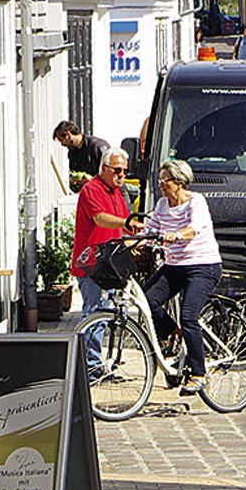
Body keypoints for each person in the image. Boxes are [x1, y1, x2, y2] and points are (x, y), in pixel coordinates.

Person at [139, 159, 222, 396]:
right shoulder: (162, 204)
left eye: (165, 180)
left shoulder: (196, 202)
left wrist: (177, 235)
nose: (161, 184)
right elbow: (150, 230)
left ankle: (198, 373)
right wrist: (136, 241)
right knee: (147, 300)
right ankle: (171, 332)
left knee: (188, 315)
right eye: (160, 180)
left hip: (202, 266)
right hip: (175, 266)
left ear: (179, 182)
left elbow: (195, 228)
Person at [70, 150, 137, 370]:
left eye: (125, 171)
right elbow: (100, 219)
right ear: (104, 168)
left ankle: (97, 363)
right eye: (117, 170)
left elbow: (121, 229)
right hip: (92, 265)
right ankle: (91, 367)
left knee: (106, 314)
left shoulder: (117, 192)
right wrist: (125, 223)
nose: (122, 175)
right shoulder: (92, 189)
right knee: (94, 313)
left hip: (109, 265)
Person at [53, 120, 109, 186]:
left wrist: (92, 181)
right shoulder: (72, 154)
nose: (62, 144)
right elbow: (74, 175)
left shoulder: (97, 147)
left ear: (68, 134)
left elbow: (111, 175)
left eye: (62, 140)